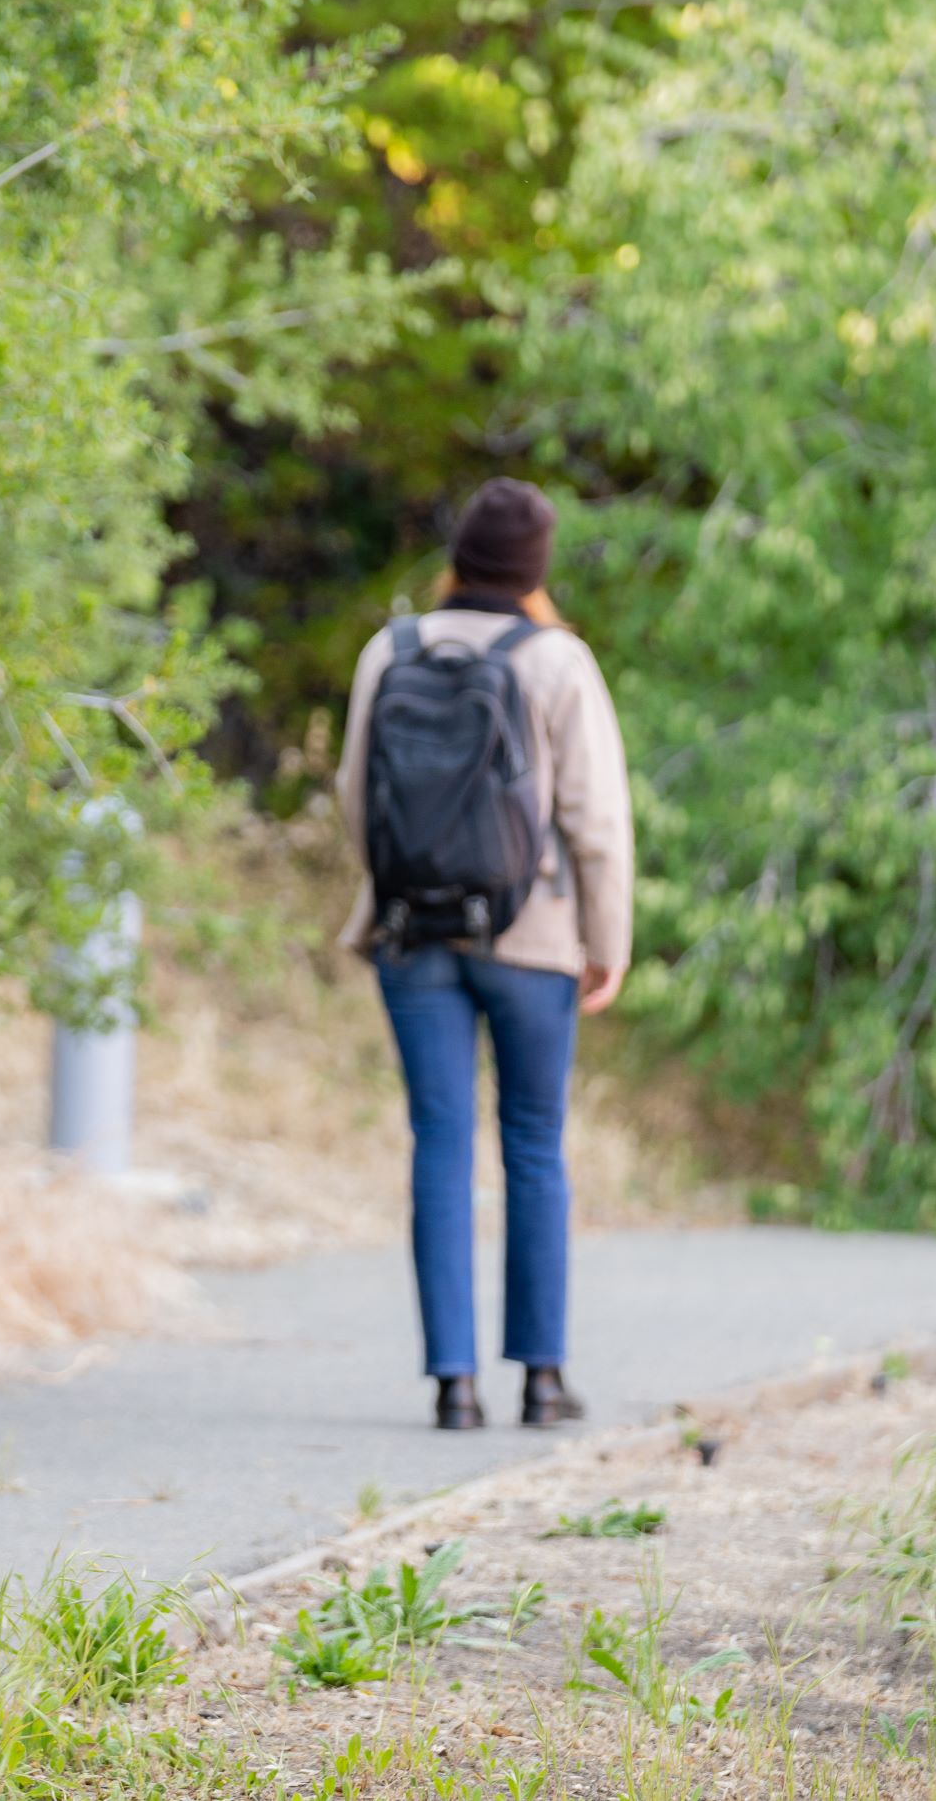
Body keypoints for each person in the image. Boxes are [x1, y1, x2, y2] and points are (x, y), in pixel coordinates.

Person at [337, 477, 633, 1433]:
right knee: (535, 1147)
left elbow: (354, 795)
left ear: (456, 557)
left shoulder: (393, 648)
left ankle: (453, 1385)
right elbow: (596, 822)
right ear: (537, 570)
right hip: (533, 940)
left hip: (411, 936)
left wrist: (397, 889)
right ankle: (542, 1380)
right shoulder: (558, 661)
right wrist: (606, 943)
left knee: (440, 1143)